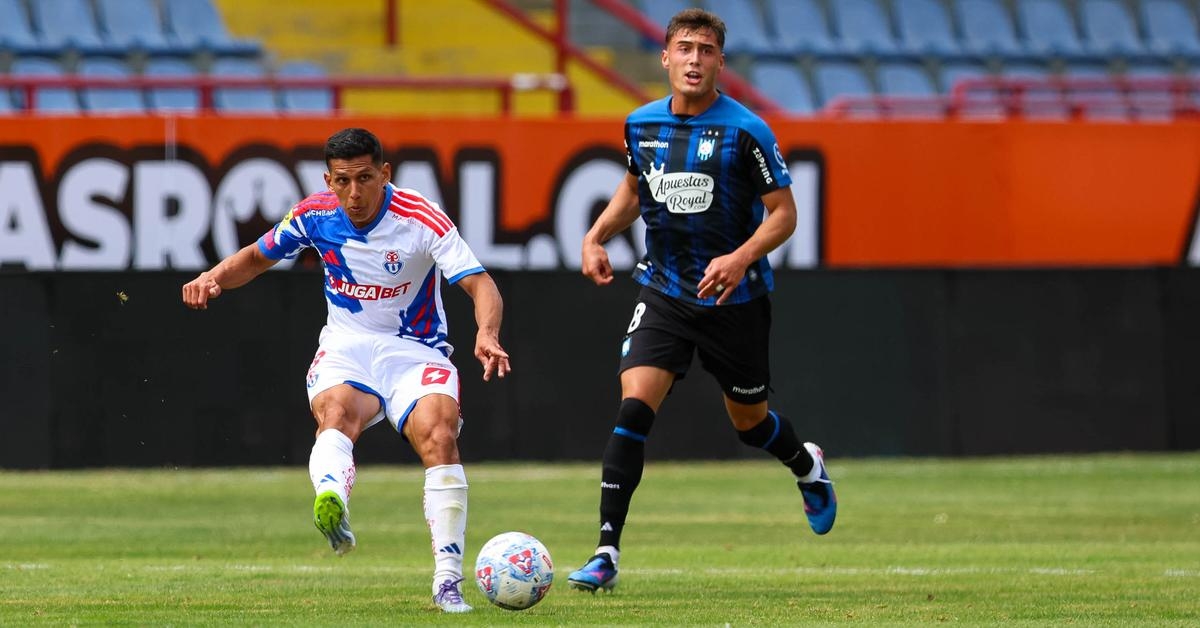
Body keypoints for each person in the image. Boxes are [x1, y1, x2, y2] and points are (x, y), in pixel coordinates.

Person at [182, 127, 510, 614]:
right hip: (347, 345)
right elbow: (255, 257)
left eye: (364, 179)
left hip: (415, 350)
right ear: (328, 180)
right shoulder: (315, 213)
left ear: (385, 173)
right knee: (336, 413)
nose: (354, 194)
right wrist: (213, 277)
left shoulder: (420, 217)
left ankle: (447, 581)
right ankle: (332, 500)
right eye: (342, 181)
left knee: (439, 435)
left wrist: (486, 333)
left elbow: (481, 285)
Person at [566, 9, 836, 593]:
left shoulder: (746, 131)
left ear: (719, 62)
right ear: (665, 57)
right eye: (684, 48)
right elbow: (636, 190)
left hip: (735, 300)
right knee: (634, 409)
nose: (694, 59)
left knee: (749, 423)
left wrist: (739, 258)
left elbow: (784, 214)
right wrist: (595, 236)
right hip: (664, 289)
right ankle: (605, 553)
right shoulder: (640, 124)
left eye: (706, 50)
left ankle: (806, 466)